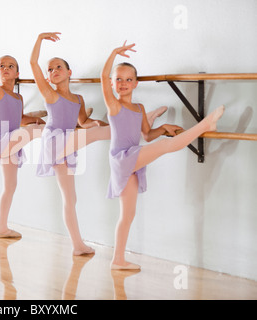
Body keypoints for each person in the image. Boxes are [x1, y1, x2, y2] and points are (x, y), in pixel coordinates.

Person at [101, 41, 225, 269]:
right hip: (122, 158)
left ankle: (117, 260)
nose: (123, 83)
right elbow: (103, 79)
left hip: (134, 159)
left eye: (128, 79)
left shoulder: (138, 109)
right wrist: (113, 53)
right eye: (118, 79)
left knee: (128, 214)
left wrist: (163, 128)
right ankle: (206, 125)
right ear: (112, 83)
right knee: (168, 148)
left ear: (136, 83)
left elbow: (147, 136)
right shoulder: (114, 106)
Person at [30, 32, 112, 255]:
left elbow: (82, 122)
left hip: (69, 143)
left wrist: (93, 122)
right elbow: (33, 63)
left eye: (58, 67)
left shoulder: (78, 99)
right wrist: (39, 39)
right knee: (100, 134)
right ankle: (135, 126)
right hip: (55, 142)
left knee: (70, 198)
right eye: (50, 70)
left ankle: (77, 245)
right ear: (48, 78)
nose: (53, 71)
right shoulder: (50, 94)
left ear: (69, 73)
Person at [0, 30, 45, 238]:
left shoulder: (18, 97)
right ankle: (60, 131)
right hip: (0, 142)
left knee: (10, 186)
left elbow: (20, 119)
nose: (5, 68)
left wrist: (34, 119)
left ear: (17, 74)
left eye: (10, 66)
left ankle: (2, 228)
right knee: (35, 132)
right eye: (2, 66)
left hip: (13, 143)